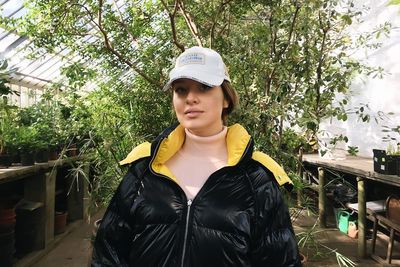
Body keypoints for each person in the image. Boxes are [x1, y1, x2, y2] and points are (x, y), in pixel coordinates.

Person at [91, 46, 301, 267]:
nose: (190, 98)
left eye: (204, 87)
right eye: (181, 90)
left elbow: (281, 260)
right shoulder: (146, 167)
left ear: (226, 99)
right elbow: (109, 252)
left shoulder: (257, 177)